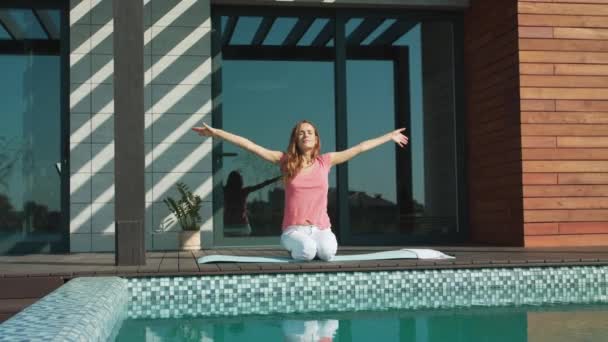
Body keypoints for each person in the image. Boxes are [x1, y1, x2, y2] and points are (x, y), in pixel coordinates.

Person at [192, 120, 408, 261]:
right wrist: (217, 133)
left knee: (328, 253)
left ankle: (312, 245)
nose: (305, 135)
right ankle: (295, 245)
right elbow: (250, 145)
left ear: (315, 139)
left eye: (310, 132)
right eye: (301, 132)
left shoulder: (325, 161)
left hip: (321, 228)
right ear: (296, 139)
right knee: (306, 252)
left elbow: (359, 148)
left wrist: (389, 136)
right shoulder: (285, 161)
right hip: (294, 230)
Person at [223, 170, 281, 236]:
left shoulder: (225, 191)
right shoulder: (243, 192)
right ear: (240, 181)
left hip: (228, 225)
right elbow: (261, 185)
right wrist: (278, 177)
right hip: (242, 226)